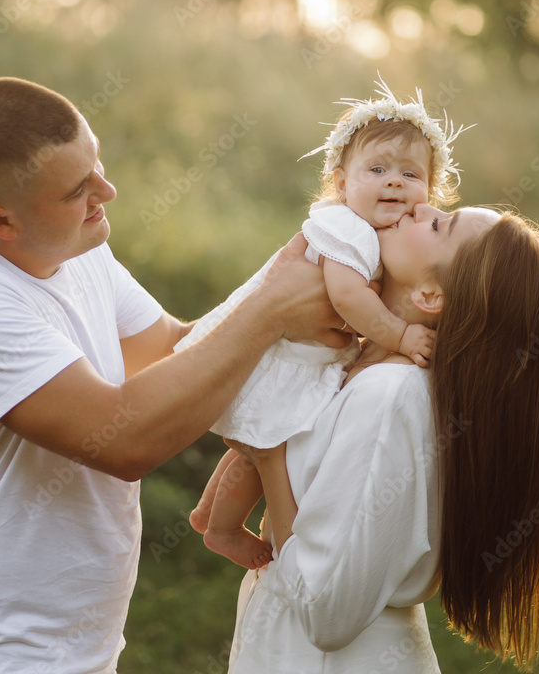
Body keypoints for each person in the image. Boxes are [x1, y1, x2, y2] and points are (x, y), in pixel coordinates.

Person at [0, 77, 343, 674]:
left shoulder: (77, 249)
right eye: (78, 189)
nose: (107, 190)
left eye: (98, 164)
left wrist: (304, 266)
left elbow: (177, 351)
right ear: (1, 223)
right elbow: (121, 439)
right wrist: (271, 310)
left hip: (86, 650)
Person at [226, 203, 539, 673]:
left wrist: (268, 458)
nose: (418, 205)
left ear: (430, 294)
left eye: (437, 224)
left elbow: (327, 612)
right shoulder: (362, 364)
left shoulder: (391, 398)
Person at [182, 80, 468, 569]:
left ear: (429, 192)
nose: (394, 181)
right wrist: (398, 334)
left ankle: (212, 514)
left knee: (258, 442)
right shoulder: (347, 229)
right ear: (341, 184)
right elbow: (347, 295)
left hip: (304, 353)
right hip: (286, 354)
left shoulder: (383, 236)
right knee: (268, 441)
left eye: (409, 173)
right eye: (377, 170)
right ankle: (228, 530)